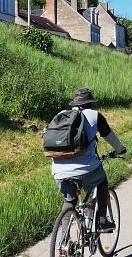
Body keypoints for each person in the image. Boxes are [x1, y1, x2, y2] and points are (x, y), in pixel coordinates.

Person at [50, 88, 126, 232]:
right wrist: (120, 149)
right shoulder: (94, 115)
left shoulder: (60, 115)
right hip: (86, 168)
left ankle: (64, 242)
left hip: (58, 170)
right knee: (102, 182)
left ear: (74, 103)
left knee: (69, 200)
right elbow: (110, 136)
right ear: (90, 103)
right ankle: (102, 222)